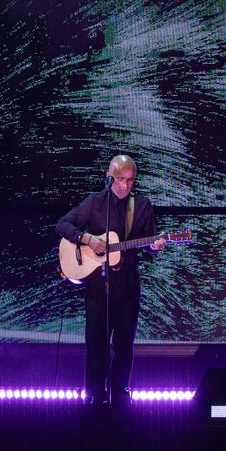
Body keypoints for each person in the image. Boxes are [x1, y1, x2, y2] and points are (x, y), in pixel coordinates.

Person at [56, 155, 165, 405]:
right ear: (109, 177)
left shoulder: (142, 205)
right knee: (97, 341)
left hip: (128, 282)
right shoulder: (94, 203)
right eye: (120, 179)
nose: (125, 185)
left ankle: (121, 393)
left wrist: (156, 246)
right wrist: (88, 240)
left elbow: (150, 242)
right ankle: (94, 393)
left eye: (130, 180)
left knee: (124, 342)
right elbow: (62, 225)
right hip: (98, 283)